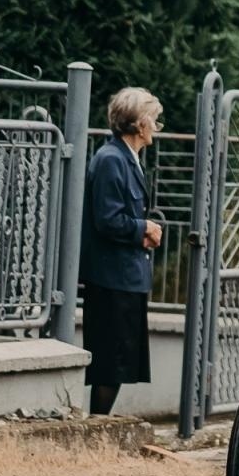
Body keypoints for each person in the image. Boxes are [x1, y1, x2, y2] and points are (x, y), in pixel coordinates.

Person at [80, 88, 163, 415]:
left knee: (116, 364)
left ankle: (98, 424)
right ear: (139, 124)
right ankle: (96, 427)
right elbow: (108, 219)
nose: (156, 127)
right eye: (153, 120)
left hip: (123, 277)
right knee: (110, 365)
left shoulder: (124, 158)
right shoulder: (112, 159)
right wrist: (143, 228)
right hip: (111, 279)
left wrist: (141, 232)